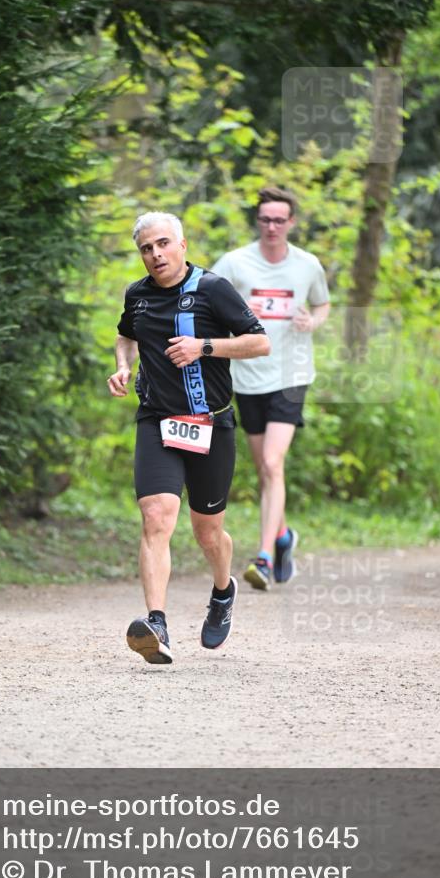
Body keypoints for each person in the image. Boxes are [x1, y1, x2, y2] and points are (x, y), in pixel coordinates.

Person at [108, 211, 270, 665]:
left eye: (162, 244)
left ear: (182, 244)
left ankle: (223, 590)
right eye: (146, 248)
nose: (155, 254)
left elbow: (259, 342)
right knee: (157, 516)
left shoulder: (212, 288)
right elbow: (125, 335)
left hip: (211, 424)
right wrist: (124, 365)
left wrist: (204, 346)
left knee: (207, 531)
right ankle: (156, 623)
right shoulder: (137, 296)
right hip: (157, 420)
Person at [211, 186, 330, 591]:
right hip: (247, 377)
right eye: (265, 219)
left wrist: (312, 322)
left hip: (292, 375)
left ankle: (262, 557)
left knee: (273, 464)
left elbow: (322, 304)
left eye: (280, 220)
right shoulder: (235, 263)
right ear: (257, 221)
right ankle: (282, 537)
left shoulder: (307, 265)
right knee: (264, 469)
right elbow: (205, 296)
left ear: (292, 222)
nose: (272, 226)